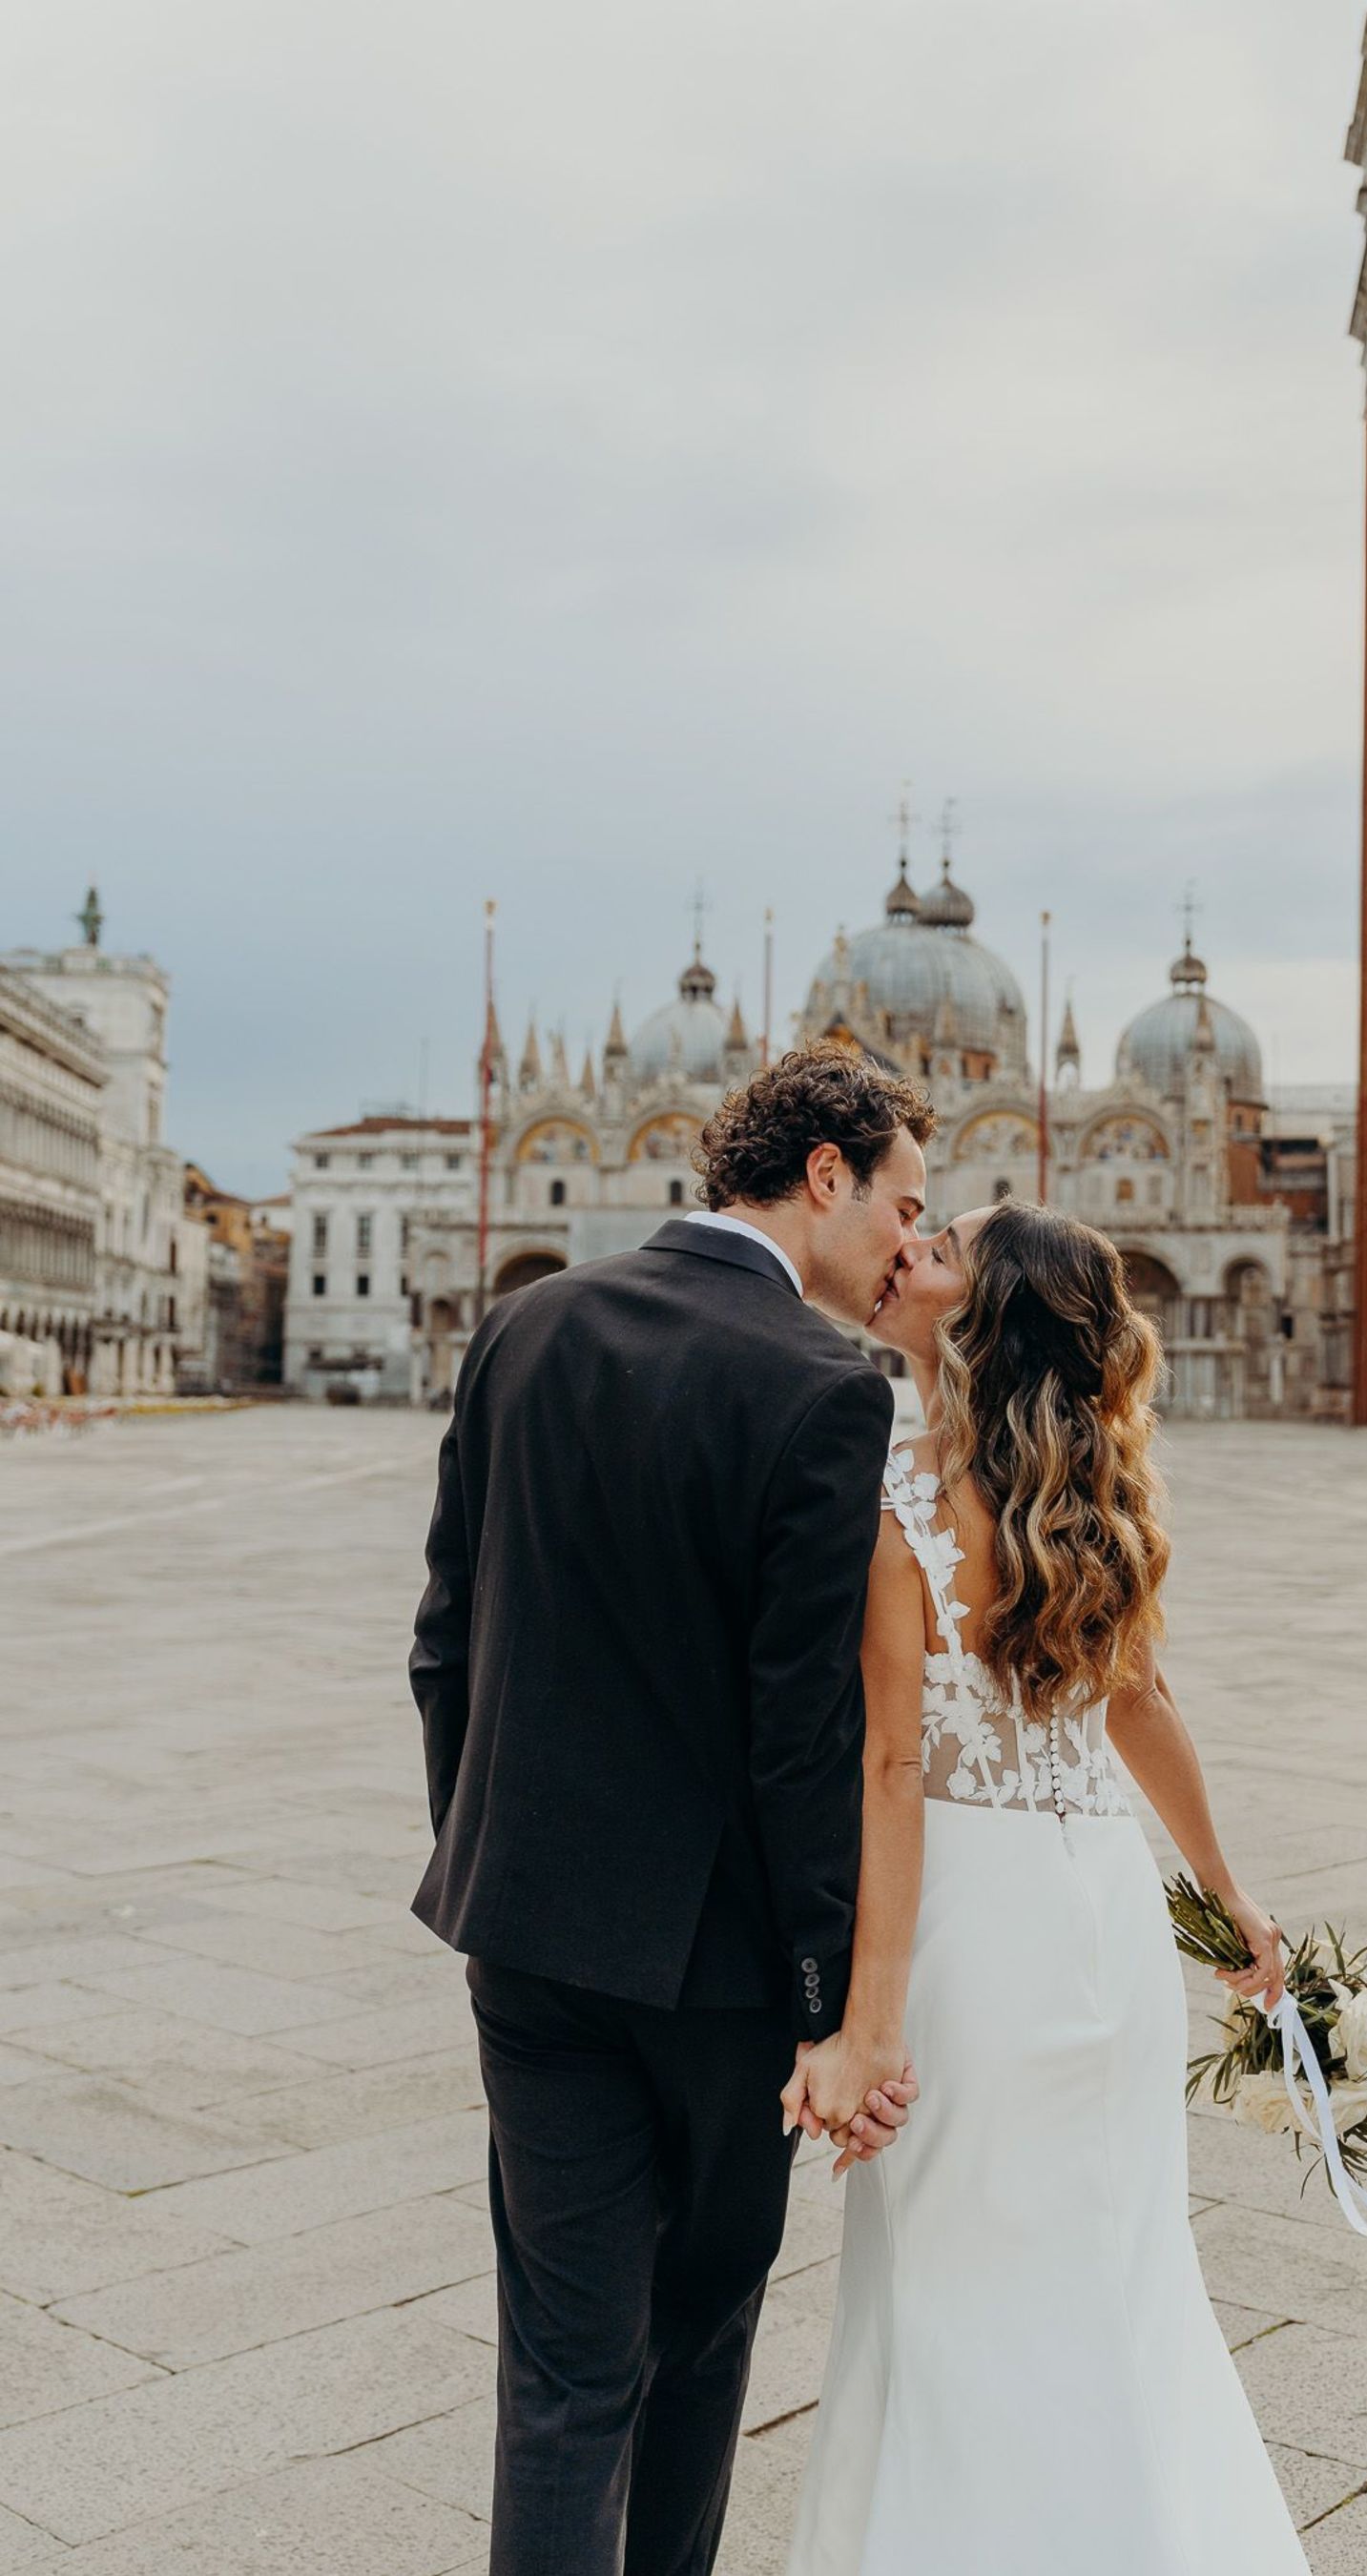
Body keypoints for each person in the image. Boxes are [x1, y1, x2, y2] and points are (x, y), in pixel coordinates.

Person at [408, 1044, 934, 2576]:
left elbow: (444, 1638)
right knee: (697, 2341)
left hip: (525, 1939)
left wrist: (489, 1854)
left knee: (560, 2372)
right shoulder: (827, 1387)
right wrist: (828, 2005)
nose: (909, 1240)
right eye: (904, 1203)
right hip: (718, 1977)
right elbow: (800, 1735)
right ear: (825, 1174)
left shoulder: (522, 1327)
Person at [782, 1199, 1311, 2575]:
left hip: (972, 1928)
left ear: (984, 1313)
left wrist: (868, 2024)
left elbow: (892, 1765)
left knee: (952, 2274)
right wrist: (1224, 1892)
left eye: (941, 1246)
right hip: (1103, 1916)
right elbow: (1143, 1703)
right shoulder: (1097, 1493)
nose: (908, 1250)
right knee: (1114, 2267)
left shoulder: (898, 1494)